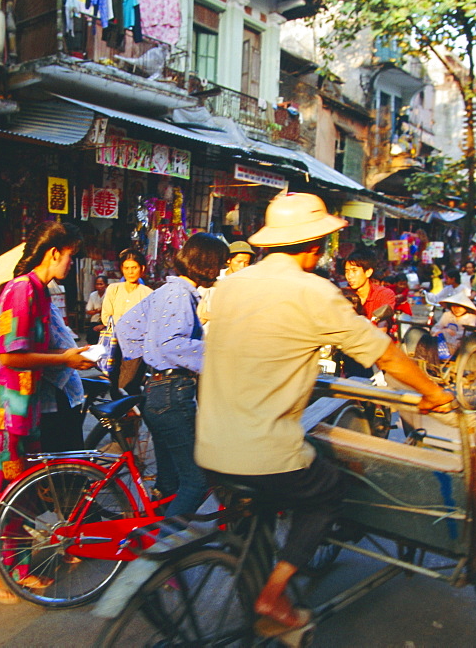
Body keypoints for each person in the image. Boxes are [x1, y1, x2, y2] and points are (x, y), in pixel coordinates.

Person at [195, 192, 454, 634]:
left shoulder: (232, 284)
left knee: (267, 500)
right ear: (315, 246)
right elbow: (386, 355)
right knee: (329, 491)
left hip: (210, 443)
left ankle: (250, 589)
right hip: (262, 450)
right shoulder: (314, 291)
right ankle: (272, 597)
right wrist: (433, 393)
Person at [0, 222, 94, 604]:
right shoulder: (22, 290)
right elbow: (8, 353)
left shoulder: (39, 290)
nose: (71, 263)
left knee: (20, 498)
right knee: (2, 500)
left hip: (21, 411)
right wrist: (64, 359)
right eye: (70, 255)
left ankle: (16, 568)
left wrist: (68, 359)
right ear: (54, 252)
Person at [117, 233, 229, 516]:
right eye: (221, 264)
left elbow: (127, 327)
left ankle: (150, 532)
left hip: (155, 391)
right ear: (207, 264)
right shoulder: (180, 295)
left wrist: (147, 355)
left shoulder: (167, 291)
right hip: (172, 394)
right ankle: (159, 552)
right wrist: (219, 354)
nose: (222, 270)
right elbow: (172, 343)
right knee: (197, 480)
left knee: (170, 481)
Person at [100, 248, 153, 395]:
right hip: (114, 345)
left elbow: (150, 322)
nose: (130, 272)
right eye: (126, 268)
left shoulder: (148, 293)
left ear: (142, 269)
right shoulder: (113, 289)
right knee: (113, 384)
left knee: (127, 385)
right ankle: (120, 416)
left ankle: (128, 415)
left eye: (134, 268)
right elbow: (106, 316)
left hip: (136, 347)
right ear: (122, 269)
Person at [342, 249, 397, 321]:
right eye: (347, 271)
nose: (349, 276)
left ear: (368, 272)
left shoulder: (384, 294)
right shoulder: (343, 294)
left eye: (354, 271)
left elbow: (382, 325)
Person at [429, 292, 476, 356]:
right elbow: (435, 328)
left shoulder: (471, 317)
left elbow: (470, 333)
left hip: (460, 344)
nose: (456, 309)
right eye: (454, 306)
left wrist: (455, 334)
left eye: (459, 307)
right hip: (443, 342)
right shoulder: (447, 315)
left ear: (466, 307)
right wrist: (443, 331)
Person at [84, 275, 107, 344]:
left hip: (106, 321)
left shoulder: (109, 294)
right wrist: (96, 311)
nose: (99, 286)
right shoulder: (93, 295)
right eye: (97, 284)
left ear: (106, 285)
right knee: (91, 335)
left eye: (101, 284)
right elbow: (88, 311)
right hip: (95, 320)